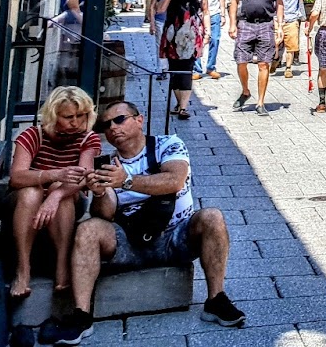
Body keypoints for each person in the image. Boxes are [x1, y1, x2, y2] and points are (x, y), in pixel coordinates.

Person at [37, 101, 244, 345]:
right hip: (130, 241)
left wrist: (126, 181)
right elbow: (105, 215)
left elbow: (174, 180)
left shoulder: (168, 144)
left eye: (119, 119)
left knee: (212, 217)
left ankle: (216, 299)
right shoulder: (109, 164)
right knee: (88, 229)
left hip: (175, 236)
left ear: (139, 120)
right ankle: (81, 316)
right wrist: (101, 192)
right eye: (106, 125)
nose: (113, 128)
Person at [7, 87, 101, 299]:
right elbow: (17, 177)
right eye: (68, 117)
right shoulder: (33, 135)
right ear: (53, 115)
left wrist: (55, 195)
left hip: (67, 200)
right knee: (31, 192)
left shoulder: (87, 138)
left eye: (81, 116)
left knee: (63, 194)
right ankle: (23, 269)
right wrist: (55, 174)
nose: (75, 122)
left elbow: (85, 176)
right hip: (27, 203)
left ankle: (62, 266)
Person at [226, 0, 284, 116]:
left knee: (264, 64)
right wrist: (232, 23)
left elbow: (279, 3)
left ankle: (260, 102)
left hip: (266, 24)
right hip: (245, 23)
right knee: (241, 61)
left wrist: (280, 26)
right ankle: (245, 91)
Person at [156, 0, 208, 120]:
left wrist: (207, 33)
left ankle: (183, 107)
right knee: (174, 71)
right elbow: (160, 9)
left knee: (187, 70)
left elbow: (205, 11)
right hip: (173, 33)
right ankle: (179, 103)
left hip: (191, 35)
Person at [277, 0, 314, 81]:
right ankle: (276, 59)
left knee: (291, 46)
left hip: (292, 17)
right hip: (276, 17)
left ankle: (288, 68)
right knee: (274, 43)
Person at [195, 0, 226, 79]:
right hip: (198, 13)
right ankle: (196, 69)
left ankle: (211, 67)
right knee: (197, 41)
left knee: (215, 40)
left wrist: (223, 14)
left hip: (214, 12)